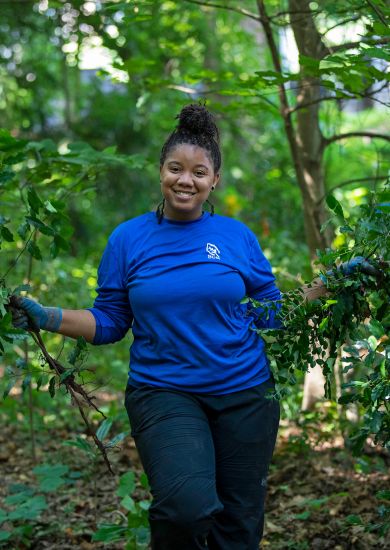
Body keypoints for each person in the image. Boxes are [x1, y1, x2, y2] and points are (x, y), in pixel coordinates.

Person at [10, 104, 359, 549]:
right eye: (176, 168)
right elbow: (112, 321)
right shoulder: (128, 239)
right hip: (164, 392)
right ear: (161, 172)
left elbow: (272, 312)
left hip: (247, 394)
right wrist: (48, 317)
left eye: (199, 171)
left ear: (214, 180)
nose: (185, 180)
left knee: (239, 522)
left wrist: (330, 284)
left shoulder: (236, 236)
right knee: (186, 507)